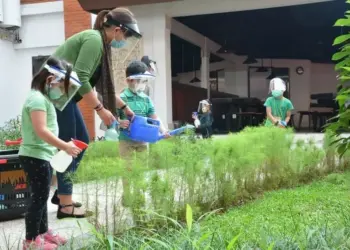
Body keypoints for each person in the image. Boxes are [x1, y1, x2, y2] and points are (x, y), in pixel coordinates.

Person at [50, 7, 142, 218]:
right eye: (126, 36)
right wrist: (100, 110)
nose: (125, 41)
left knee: (81, 140)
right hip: (57, 94)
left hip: (66, 96)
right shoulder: (94, 40)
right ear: (118, 30)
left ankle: (62, 193)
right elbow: (81, 76)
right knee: (70, 145)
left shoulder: (100, 43)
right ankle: (65, 204)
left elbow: (98, 88)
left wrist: (124, 107)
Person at [19, 57, 82, 250]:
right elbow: (41, 130)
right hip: (35, 156)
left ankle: (43, 232)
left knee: (42, 196)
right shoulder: (37, 99)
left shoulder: (42, 98)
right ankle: (31, 241)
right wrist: (64, 146)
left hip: (41, 155)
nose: (61, 92)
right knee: (37, 199)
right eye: (61, 86)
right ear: (50, 79)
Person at [117, 60, 170, 206]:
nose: (143, 84)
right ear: (129, 80)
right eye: (140, 81)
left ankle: (139, 194)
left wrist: (163, 130)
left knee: (141, 168)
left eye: (144, 81)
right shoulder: (121, 98)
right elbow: (110, 119)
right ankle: (127, 195)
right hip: (125, 140)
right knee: (127, 168)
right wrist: (119, 122)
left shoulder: (146, 99)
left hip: (143, 140)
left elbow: (154, 116)